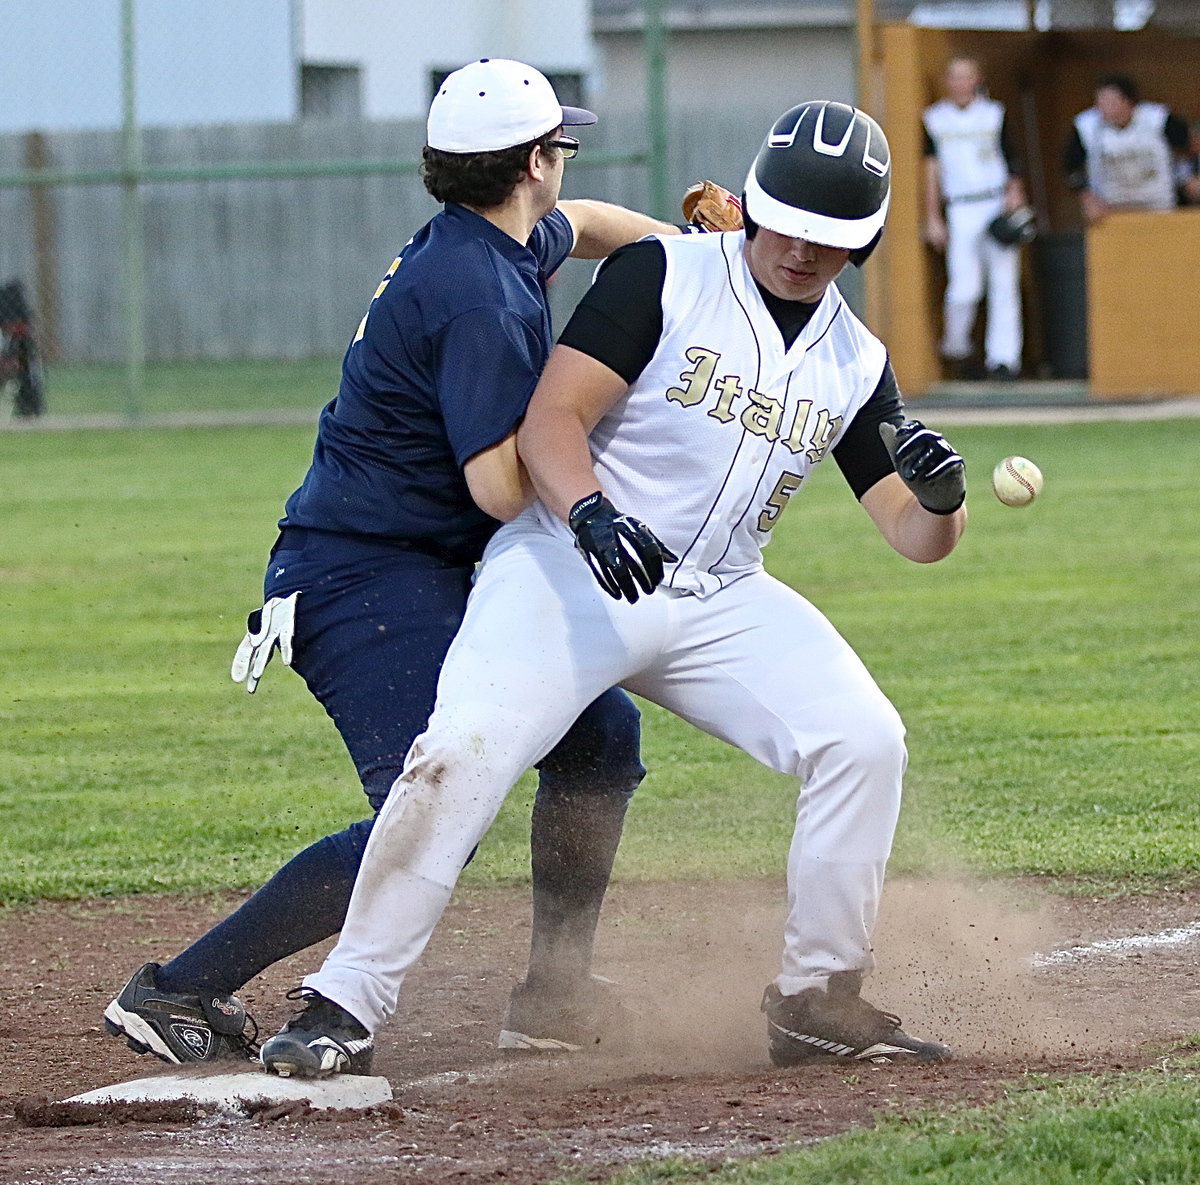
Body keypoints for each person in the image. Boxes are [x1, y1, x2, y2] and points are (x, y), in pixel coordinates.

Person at [257, 100, 967, 1080]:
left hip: (721, 596)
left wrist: (942, 499)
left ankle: (816, 998)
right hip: (575, 563)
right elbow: (553, 418)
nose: (802, 250)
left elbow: (912, 535)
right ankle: (346, 1001)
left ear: (866, 242)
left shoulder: (857, 364)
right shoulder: (663, 276)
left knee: (863, 738)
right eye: (788, 224)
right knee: (460, 748)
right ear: (754, 207)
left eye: (831, 237)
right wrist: (589, 510)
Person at [102, 58, 684, 1067]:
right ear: (534, 159)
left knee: (598, 741)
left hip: (418, 569)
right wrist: (578, 417)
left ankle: (553, 991)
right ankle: (179, 989)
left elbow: (587, 224)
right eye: (561, 146)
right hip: (358, 581)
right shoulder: (478, 296)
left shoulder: (493, 239)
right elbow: (500, 488)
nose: (565, 165)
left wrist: (694, 259)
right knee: (428, 813)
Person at [923, 56, 1028, 382]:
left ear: (976, 80)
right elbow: (930, 170)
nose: (959, 83)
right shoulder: (935, 118)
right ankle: (957, 347)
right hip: (960, 206)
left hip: (994, 201)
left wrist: (1015, 195)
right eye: (953, 77)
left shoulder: (994, 113)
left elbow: (1012, 158)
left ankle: (1004, 360)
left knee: (1003, 284)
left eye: (965, 77)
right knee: (964, 288)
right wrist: (932, 217)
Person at [1065, 74, 1191, 224]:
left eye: (1108, 100)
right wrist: (1088, 198)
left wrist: (1189, 177)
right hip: (1109, 211)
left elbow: (1191, 144)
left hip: (1159, 206)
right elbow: (1071, 167)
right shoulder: (1086, 126)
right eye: (1099, 100)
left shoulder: (1157, 119)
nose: (1100, 106)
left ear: (1127, 101)